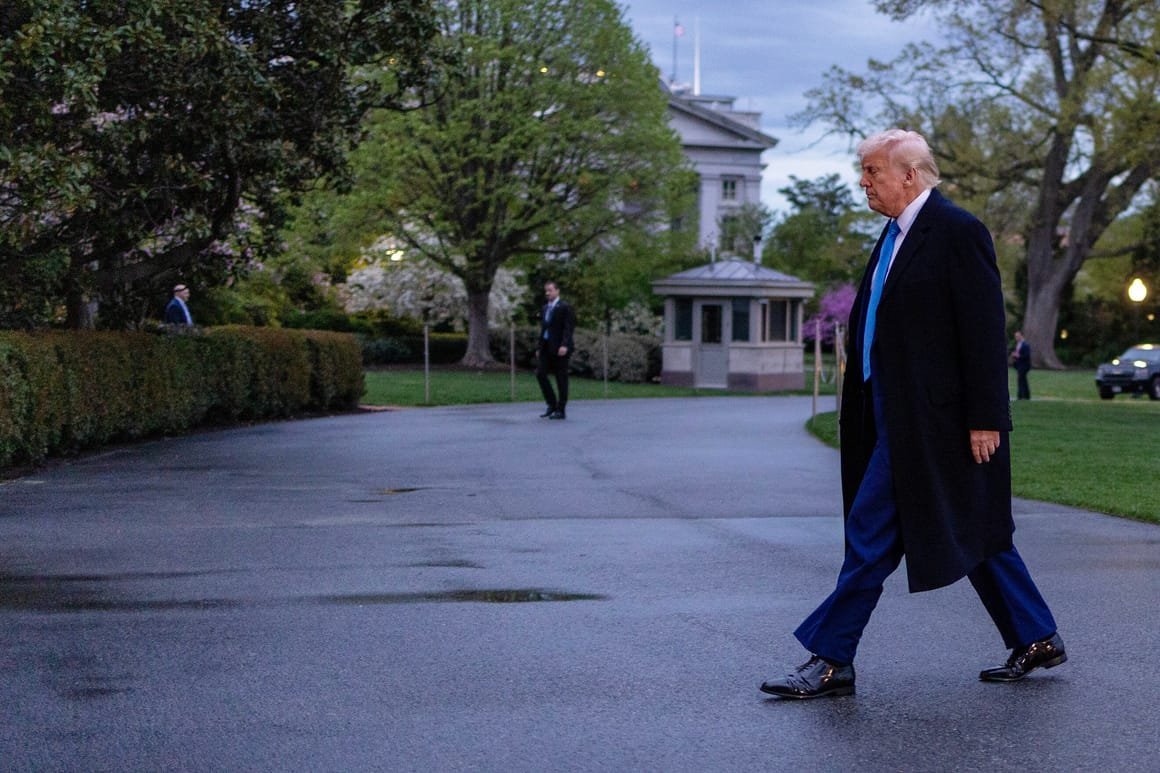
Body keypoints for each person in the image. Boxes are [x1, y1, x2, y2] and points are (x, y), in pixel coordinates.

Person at [760, 130, 1065, 700]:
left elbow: (981, 333)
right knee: (975, 528)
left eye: (873, 171)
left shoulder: (958, 232)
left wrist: (986, 418)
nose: (864, 181)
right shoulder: (892, 235)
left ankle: (831, 660)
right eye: (864, 171)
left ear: (910, 174)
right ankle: (1037, 636)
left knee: (871, 535)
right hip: (887, 412)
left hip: (936, 425)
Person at [536, 280, 575, 420]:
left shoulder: (565, 307)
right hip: (546, 346)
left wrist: (564, 344)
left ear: (557, 291)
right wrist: (539, 347)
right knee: (540, 373)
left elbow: (568, 328)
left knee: (561, 377)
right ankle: (551, 403)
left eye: (550, 290)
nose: (548, 293)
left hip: (560, 347)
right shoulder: (545, 308)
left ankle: (561, 409)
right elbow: (544, 329)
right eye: (546, 291)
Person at [1011, 330, 1032, 400]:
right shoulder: (1018, 344)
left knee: (1021, 380)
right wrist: (1014, 356)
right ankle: (1026, 396)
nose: (1016, 337)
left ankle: (1021, 396)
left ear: (1021, 336)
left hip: (1024, 366)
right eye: (1015, 336)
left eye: (1017, 336)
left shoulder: (1025, 345)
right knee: (1023, 380)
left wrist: (1018, 355)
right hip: (1019, 365)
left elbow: (1026, 355)